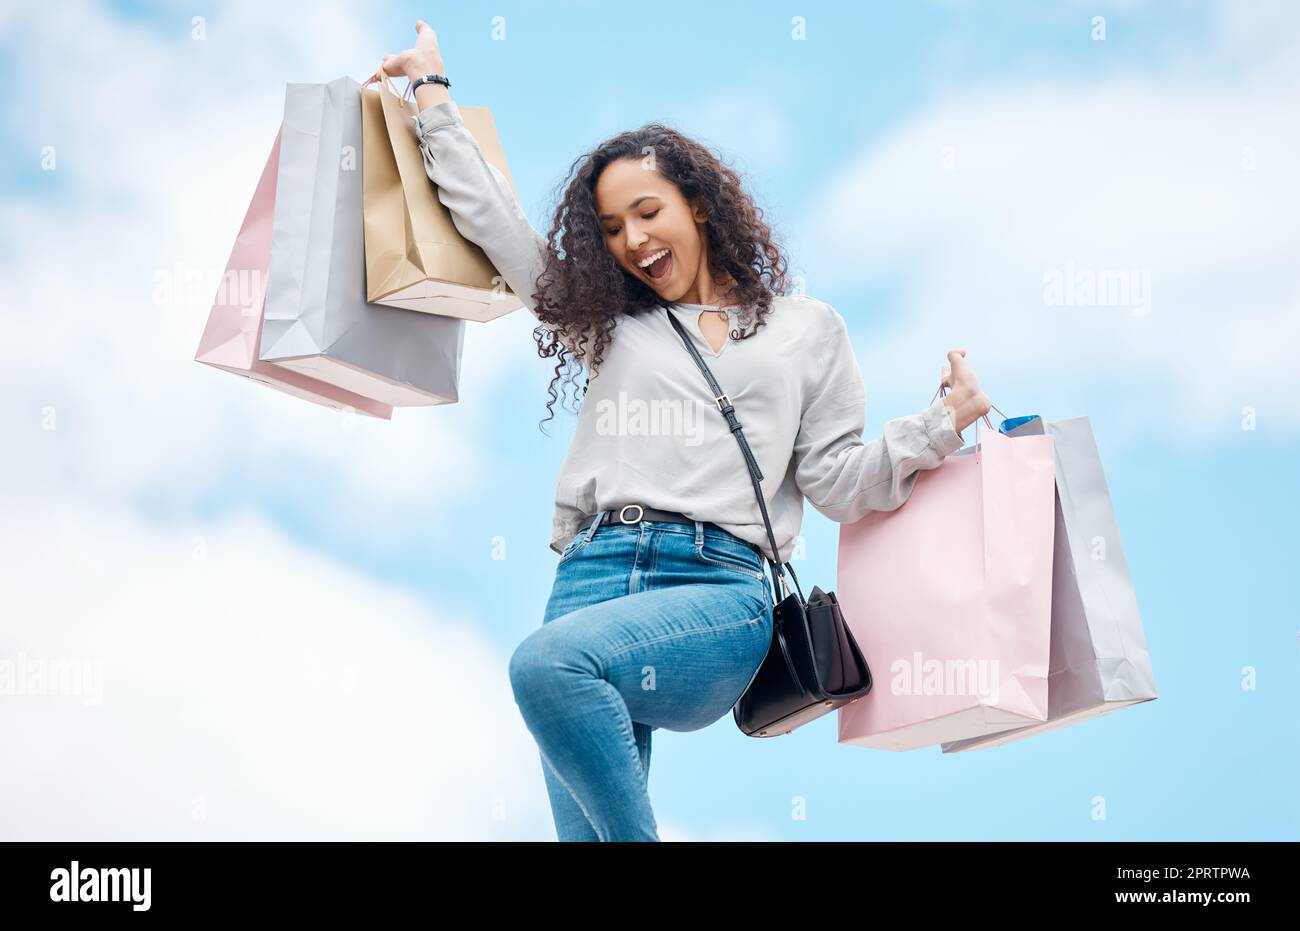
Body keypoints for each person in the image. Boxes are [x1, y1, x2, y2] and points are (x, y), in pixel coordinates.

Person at [370, 21, 991, 842]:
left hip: (718, 592)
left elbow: (840, 483)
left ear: (698, 204)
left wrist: (939, 425)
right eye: (612, 227)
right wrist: (431, 93)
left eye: (647, 211)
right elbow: (495, 221)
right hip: (590, 581)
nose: (632, 240)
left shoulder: (808, 329)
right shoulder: (608, 324)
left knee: (546, 666)